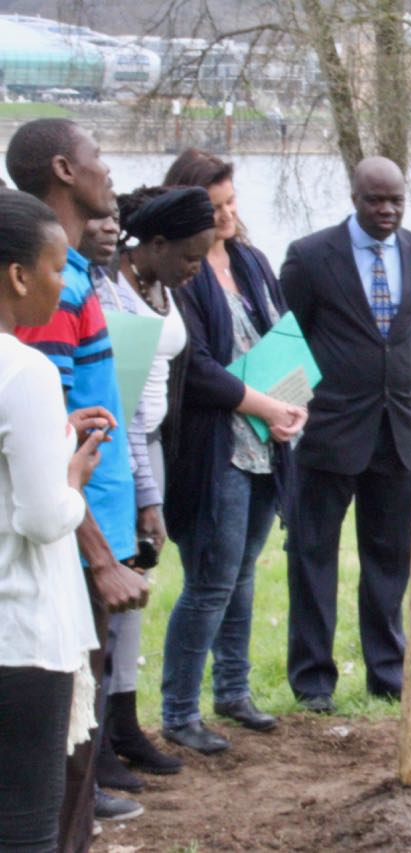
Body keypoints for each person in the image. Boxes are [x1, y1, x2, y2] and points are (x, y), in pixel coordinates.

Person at [7, 117, 151, 846]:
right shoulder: (37, 305)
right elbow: (38, 471)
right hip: (52, 568)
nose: (110, 170)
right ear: (64, 169)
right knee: (53, 771)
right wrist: (99, 555)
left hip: (86, 534)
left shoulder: (74, 278)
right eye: (98, 157)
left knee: (67, 762)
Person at [160, 149, 307, 754]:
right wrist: (265, 407)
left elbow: (283, 333)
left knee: (243, 573)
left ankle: (233, 690)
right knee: (210, 580)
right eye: (214, 206)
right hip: (217, 442)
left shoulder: (250, 259)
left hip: (266, 441)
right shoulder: (184, 273)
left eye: (231, 202)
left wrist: (292, 405)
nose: (226, 216)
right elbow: (194, 367)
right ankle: (177, 711)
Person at [280, 156, 411, 711]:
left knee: (389, 557)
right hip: (327, 432)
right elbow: (288, 338)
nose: (387, 210)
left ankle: (388, 672)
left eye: (395, 200)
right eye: (375, 200)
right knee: (313, 555)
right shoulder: (310, 256)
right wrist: (293, 414)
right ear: (354, 196)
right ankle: (314, 680)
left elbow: (410, 336)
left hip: (396, 431)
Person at [86, 187, 216, 789]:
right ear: (156, 243)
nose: (196, 269)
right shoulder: (109, 289)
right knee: (108, 593)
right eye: (190, 256)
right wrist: (143, 488)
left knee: (137, 586)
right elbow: (124, 398)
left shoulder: (166, 289)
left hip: (154, 448)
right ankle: (98, 737)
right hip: (119, 447)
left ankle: (125, 720)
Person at [0, 189, 110, 853]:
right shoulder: (27, 370)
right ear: (17, 275)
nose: (64, 283)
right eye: (56, 266)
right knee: (24, 829)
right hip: (19, 637)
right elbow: (42, 518)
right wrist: (72, 478)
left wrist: (49, 441)